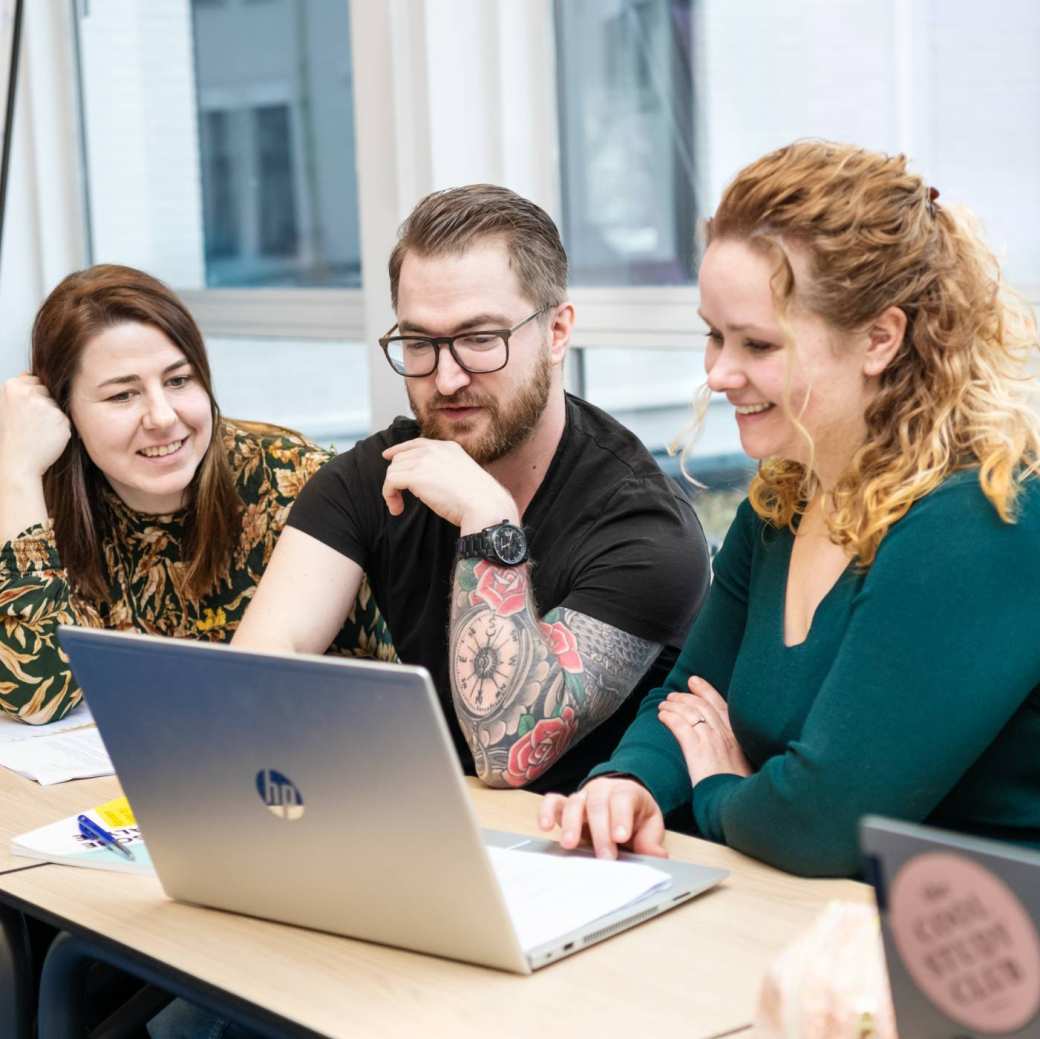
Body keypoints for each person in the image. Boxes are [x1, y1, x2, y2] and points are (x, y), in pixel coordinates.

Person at [538, 140, 1040, 876]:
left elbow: (821, 825)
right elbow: (688, 700)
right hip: (810, 922)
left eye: (758, 343)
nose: (719, 372)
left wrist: (716, 788)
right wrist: (630, 783)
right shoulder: (784, 497)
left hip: (976, 959)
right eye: (713, 333)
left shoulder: (978, 517)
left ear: (878, 337)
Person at [234, 184, 710, 793]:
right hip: (436, 831)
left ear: (558, 331)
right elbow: (257, 673)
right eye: (419, 343)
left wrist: (489, 521)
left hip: (596, 856)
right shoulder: (372, 477)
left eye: (481, 339)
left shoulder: (645, 529)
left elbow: (508, 755)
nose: (447, 376)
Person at [0, 264, 393, 723]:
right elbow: (37, 695)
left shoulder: (296, 481)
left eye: (178, 380)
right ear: (62, 410)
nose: (163, 417)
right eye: (123, 396)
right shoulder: (35, 502)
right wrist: (17, 472)